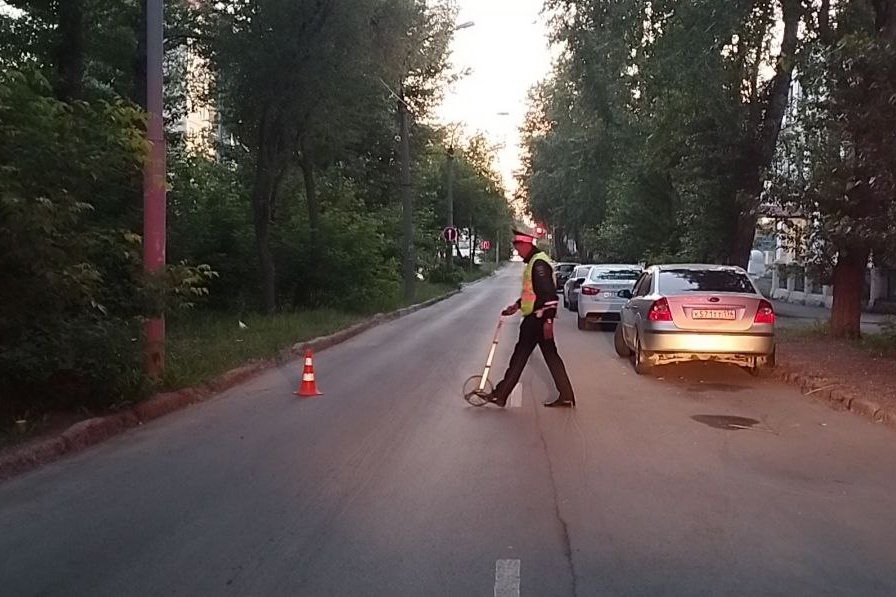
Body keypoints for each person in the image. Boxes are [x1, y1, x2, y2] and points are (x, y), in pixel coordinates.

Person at [485, 228, 576, 408]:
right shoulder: (535, 262)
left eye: (518, 248)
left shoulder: (539, 264)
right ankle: (566, 395)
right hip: (537, 317)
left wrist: (548, 320)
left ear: (526, 245)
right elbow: (533, 293)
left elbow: (549, 295)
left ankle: (500, 395)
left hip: (537, 319)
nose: (518, 252)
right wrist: (517, 306)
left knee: (520, 356)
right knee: (550, 356)